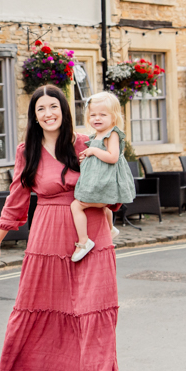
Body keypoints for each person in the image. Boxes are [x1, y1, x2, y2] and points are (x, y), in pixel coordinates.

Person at [0, 85, 120, 371]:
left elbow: (112, 180)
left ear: (64, 109)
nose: (48, 113)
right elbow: (17, 199)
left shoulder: (84, 143)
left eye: (54, 106)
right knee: (61, 312)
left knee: (91, 312)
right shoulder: (26, 151)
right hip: (47, 237)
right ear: (34, 116)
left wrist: (105, 203)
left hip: (89, 233)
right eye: (40, 109)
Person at [70, 92, 133, 261]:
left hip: (107, 185)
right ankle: (111, 229)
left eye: (102, 115)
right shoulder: (95, 136)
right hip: (100, 184)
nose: (97, 118)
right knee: (103, 208)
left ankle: (84, 241)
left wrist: (93, 151)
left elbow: (112, 157)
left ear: (114, 117)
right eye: (93, 115)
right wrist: (86, 157)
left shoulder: (112, 134)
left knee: (76, 206)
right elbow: (98, 161)